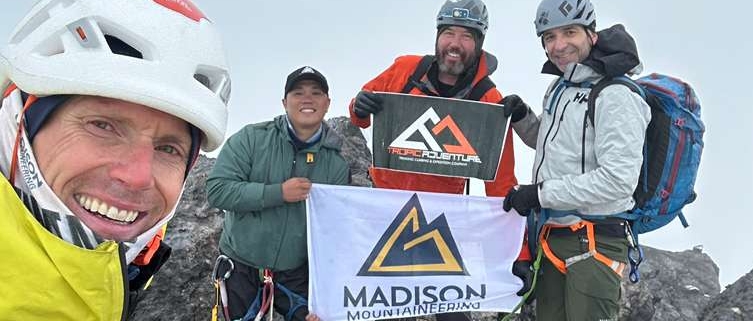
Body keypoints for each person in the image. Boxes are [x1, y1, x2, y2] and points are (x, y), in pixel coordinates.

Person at [0, 0, 231, 319]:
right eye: (102, 126)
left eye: (168, 149)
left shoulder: (132, 271)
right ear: (18, 123)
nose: (137, 176)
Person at [349, 0, 522, 320]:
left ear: (479, 43)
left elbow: (501, 183)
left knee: (451, 313)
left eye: (466, 36)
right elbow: (360, 112)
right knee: (376, 308)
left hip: (441, 223)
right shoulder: (406, 70)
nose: (455, 44)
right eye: (448, 33)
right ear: (437, 36)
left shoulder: (488, 100)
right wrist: (359, 107)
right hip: (384, 212)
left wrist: (519, 253)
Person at [501, 0, 652, 319]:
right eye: (549, 37)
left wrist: (540, 195)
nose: (559, 45)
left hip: (595, 241)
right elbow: (554, 144)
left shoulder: (616, 95)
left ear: (592, 35)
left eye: (569, 32)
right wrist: (522, 118)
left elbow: (617, 181)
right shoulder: (560, 87)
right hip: (552, 236)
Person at [206, 66, 349, 321]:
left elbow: (334, 231)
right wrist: (278, 193)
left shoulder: (337, 165)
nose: (307, 99)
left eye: (316, 93)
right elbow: (218, 190)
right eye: (298, 93)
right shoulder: (250, 139)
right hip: (240, 268)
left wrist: (328, 291)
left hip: (297, 274)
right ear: (284, 102)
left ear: (327, 103)